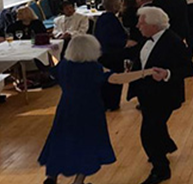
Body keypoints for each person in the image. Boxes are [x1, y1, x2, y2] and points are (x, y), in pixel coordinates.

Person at [38, 34, 159, 184]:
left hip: (65, 109)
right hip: (89, 110)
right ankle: (78, 182)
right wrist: (145, 72)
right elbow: (117, 78)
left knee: (61, 141)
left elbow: (51, 73)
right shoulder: (93, 68)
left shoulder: (63, 65)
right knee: (88, 144)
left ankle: (51, 178)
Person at [127, 7, 193, 184]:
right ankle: (166, 146)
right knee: (155, 126)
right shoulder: (147, 38)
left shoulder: (173, 42)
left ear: (154, 25)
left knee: (148, 133)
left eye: (141, 23)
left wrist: (167, 74)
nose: (138, 26)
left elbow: (189, 69)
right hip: (147, 94)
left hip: (164, 96)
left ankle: (161, 170)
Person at [93, 0, 130, 111]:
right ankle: (112, 103)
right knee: (114, 78)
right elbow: (109, 38)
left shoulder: (102, 18)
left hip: (104, 53)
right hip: (112, 54)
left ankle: (107, 102)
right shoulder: (110, 20)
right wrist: (125, 42)